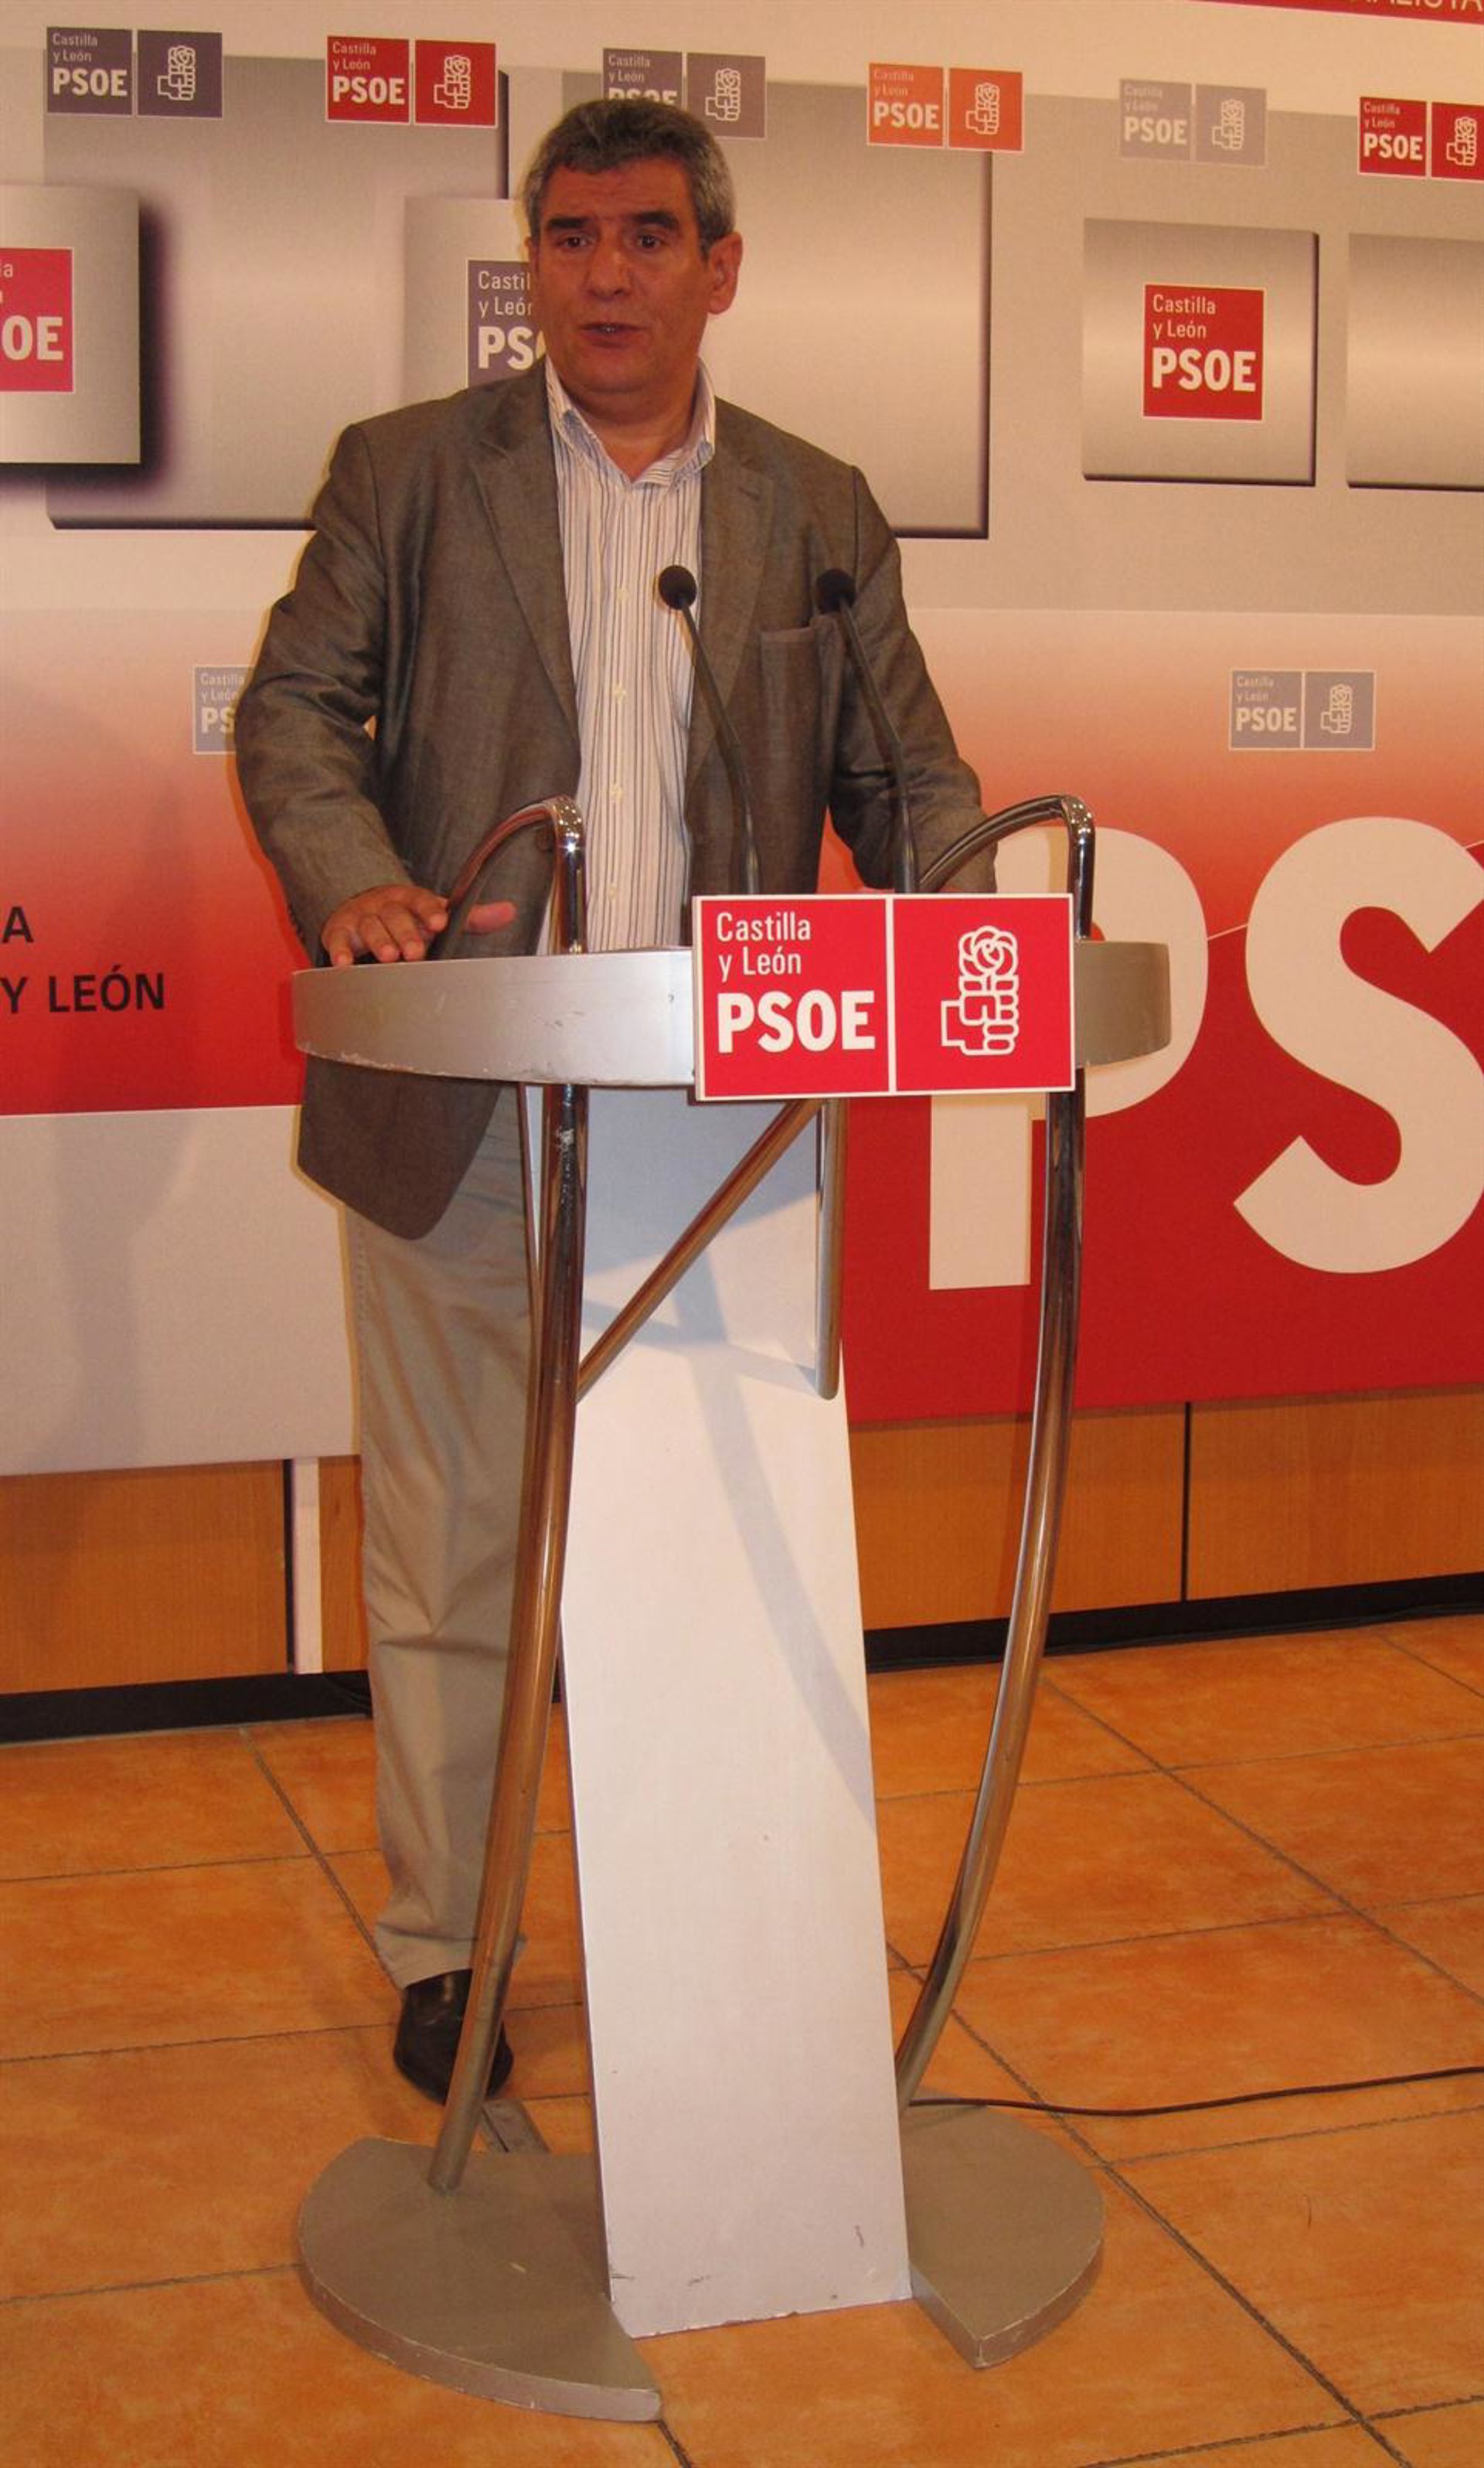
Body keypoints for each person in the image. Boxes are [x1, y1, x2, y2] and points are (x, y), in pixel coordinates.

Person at [236, 97, 988, 2105]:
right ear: (533, 267)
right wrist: (353, 877)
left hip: (724, 1119)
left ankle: (720, 1930)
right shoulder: (409, 472)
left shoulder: (816, 504)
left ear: (719, 269)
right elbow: (295, 709)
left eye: (649, 236)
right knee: (461, 1548)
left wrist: (967, 911)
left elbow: (906, 774)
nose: (607, 276)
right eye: (571, 238)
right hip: (472, 1098)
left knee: (726, 1540)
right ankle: (451, 1948)